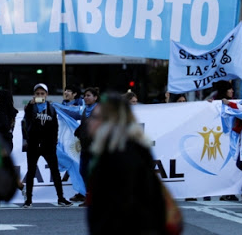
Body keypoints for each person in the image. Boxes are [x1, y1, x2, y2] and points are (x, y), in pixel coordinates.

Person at [87, 92, 166, 234]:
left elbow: (124, 204)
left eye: (96, 117)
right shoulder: (109, 149)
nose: (90, 121)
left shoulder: (122, 153)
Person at [22, 83, 72, 208]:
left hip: (48, 145)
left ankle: (61, 198)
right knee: (31, 171)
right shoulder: (30, 107)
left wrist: (54, 142)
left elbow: (55, 126)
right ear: (34, 95)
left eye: (42, 94)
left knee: (55, 171)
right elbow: (25, 120)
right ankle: (28, 200)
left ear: (46, 95)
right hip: (33, 144)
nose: (40, 96)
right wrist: (30, 105)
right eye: (37, 94)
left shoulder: (51, 108)